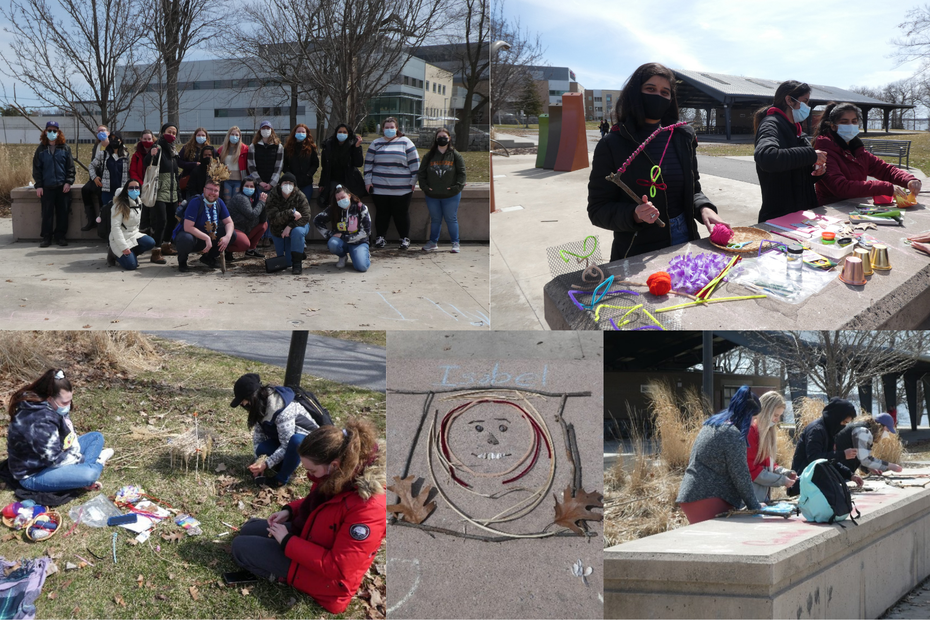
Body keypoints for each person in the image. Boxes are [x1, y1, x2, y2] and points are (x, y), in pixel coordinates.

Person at [230, 418, 386, 614]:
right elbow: (320, 505)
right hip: (310, 539)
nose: (309, 475)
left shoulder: (369, 507)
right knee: (249, 528)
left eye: (311, 470)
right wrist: (289, 511)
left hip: (327, 580)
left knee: (240, 547)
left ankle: (282, 576)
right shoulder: (339, 475)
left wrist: (287, 541)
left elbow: (339, 567)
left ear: (334, 465)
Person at [587, 63, 727, 261]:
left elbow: (694, 189)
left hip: (686, 239)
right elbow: (597, 209)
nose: (658, 96)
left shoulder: (682, 137)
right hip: (638, 249)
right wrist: (634, 214)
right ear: (635, 92)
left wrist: (705, 208)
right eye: (650, 89)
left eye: (665, 92)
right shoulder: (612, 144)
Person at [6, 369, 114, 493]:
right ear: (49, 398)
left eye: (70, 400)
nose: (68, 405)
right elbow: (53, 459)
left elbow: (68, 437)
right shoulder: (40, 421)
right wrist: (79, 459)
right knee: (91, 474)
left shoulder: (51, 407)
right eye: (65, 402)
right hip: (35, 473)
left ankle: (79, 472)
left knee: (95, 437)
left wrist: (75, 455)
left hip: (56, 453)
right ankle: (97, 462)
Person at [676, 386, 763, 524]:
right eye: (753, 418)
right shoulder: (732, 434)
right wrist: (755, 507)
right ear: (746, 415)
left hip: (691, 494)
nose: (753, 423)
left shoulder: (712, 424)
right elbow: (740, 475)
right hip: (708, 497)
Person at [813, 102, 921, 205]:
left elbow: (883, 169)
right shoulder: (825, 151)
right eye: (844, 122)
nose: (850, 125)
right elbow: (841, 187)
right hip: (832, 209)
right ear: (833, 126)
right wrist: (885, 188)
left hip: (854, 205)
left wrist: (908, 179)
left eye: (854, 121)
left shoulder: (857, 149)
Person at [229, 373, 321, 487]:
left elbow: (287, 445)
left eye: (243, 401)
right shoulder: (260, 406)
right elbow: (258, 437)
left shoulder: (282, 409)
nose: (243, 405)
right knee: (261, 449)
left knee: (295, 441)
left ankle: (281, 479)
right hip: (285, 440)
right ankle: (285, 463)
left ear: (252, 397)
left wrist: (267, 463)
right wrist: (259, 461)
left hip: (308, 442)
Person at [753, 80, 827, 222]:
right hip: (779, 218)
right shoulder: (771, 124)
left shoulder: (797, 131)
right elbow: (767, 158)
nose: (807, 107)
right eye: (805, 101)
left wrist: (815, 172)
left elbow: (793, 171)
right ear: (789, 100)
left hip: (801, 215)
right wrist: (810, 154)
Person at [788, 397, 864, 497]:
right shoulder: (816, 431)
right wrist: (842, 454)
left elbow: (829, 461)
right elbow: (814, 458)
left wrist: (850, 475)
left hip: (815, 485)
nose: (844, 426)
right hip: (804, 485)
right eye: (844, 422)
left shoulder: (828, 431)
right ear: (836, 418)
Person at [364, 117, 419, 250]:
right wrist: (368, 181)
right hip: (379, 188)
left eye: (391, 127)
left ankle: (404, 238)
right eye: (387, 127)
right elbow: (368, 164)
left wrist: (413, 181)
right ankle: (380, 237)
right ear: (383, 129)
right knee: (382, 213)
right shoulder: (376, 143)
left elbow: (415, 164)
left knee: (401, 213)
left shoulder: (406, 142)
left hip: (402, 188)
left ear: (396, 128)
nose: (389, 130)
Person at [171, 178, 249, 272]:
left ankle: (209, 257)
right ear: (204, 190)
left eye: (216, 190)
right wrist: (206, 238)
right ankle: (182, 262)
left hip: (210, 235)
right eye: (210, 189)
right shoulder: (195, 202)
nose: (212, 193)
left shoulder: (219, 202)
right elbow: (188, 227)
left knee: (231, 234)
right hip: (193, 237)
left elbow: (229, 222)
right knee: (185, 238)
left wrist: (227, 237)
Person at [144, 123, 188, 264]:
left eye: (174, 133)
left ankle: (166, 245)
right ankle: (155, 251)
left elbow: (176, 174)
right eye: (170, 131)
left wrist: (179, 195)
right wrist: (151, 155)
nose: (172, 135)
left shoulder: (173, 150)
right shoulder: (157, 147)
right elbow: (147, 163)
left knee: (173, 218)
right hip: (159, 190)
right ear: (163, 132)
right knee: (161, 221)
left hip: (172, 192)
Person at [418, 127, 466, 253]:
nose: (442, 139)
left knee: (451, 218)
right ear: (436, 139)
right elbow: (421, 173)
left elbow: (462, 174)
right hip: (432, 195)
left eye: (444, 136)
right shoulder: (429, 156)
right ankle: (433, 242)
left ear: (449, 138)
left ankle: (455, 243)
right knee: (435, 220)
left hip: (451, 195)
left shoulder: (455, 155)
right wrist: (425, 187)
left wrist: (456, 187)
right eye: (439, 137)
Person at [746, 391, 797, 503]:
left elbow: (768, 464)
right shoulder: (750, 433)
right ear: (765, 412)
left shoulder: (765, 433)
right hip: (751, 498)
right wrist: (782, 480)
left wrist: (785, 472)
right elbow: (751, 470)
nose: (777, 420)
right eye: (775, 415)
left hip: (760, 497)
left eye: (779, 416)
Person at [32, 121, 75, 248]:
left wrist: (68, 182)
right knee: (47, 213)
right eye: (49, 130)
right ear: (45, 132)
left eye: (54, 130)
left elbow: (70, 168)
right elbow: (36, 169)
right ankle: (46, 237)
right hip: (47, 187)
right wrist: (39, 185)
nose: (52, 133)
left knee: (63, 213)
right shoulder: (40, 149)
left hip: (62, 187)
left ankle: (60, 236)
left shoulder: (65, 148)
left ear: (58, 132)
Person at [313, 184, 372, 272]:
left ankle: (363, 254)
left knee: (362, 267)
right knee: (332, 243)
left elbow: (366, 232)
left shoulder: (361, 208)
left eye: (343, 197)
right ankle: (342, 256)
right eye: (338, 199)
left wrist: (346, 237)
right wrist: (330, 234)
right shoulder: (334, 209)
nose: (341, 200)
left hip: (358, 242)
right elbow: (317, 220)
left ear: (349, 196)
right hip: (341, 241)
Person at [265, 172, 311, 275]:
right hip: (278, 230)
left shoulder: (300, 196)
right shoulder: (273, 195)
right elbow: (273, 218)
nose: (288, 185)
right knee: (286, 262)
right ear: (280, 184)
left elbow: (306, 216)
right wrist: (291, 212)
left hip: (296, 226)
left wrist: (290, 226)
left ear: (294, 186)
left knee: (298, 232)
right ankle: (299, 252)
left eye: (291, 183)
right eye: (285, 182)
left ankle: (297, 263)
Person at [106, 179, 157, 270]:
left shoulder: (139, 202)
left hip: (133, 234)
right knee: (131, 266)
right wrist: (124, 247)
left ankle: (131, 254)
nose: (134, 190)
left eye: (137, 188)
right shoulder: (118, 206)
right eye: (131, 188)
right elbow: (115, 228)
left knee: (150, 242)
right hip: (119, 237)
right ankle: (114, 254)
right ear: (126, 190)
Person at [833, 412, 903, 475]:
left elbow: (858, 455)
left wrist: (868, 468)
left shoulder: (862, 428)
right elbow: (865, 460)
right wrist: (890, 466)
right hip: (836, 470)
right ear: (881, 427)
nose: (887, 434)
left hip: (839, 467)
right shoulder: (863, 432)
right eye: (887, 430)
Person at [318, 123, 366, 207]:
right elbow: (325, 167)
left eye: (345, 132)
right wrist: (322, 184)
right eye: (340, 132)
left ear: (348, 134)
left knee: (350, 204)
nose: (342, 134)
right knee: (334, 202)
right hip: (333, 180)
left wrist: (357, 147)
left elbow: (358, 163)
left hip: (350, 180)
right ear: (336, 133)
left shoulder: (353, 145)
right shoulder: (328, 146)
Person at [226, 179, 269, 260]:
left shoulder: (254, 199)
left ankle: (251, 250)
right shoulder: (240, 198)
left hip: (246, 228)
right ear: (242, 187)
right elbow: (252, 215)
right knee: (244, 245)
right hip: (234, 228)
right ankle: (226, 249)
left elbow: (263, 220)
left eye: (251, 186)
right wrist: (261, 203)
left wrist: (264, 205)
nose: (249, 188)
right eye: (246, 186)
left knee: (264, 225)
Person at [79, 124, 108, 231]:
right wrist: (94, 177)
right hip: (96, 176)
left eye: (103, 131)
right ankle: (91, 220)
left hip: (107, 177)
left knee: (101, 194)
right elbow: (92, 163)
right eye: (99, 131)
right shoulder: (97, 146)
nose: (101, 133)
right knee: (85, 190)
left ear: (108, 133)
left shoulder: (111, 145)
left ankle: (102, 221)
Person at [89, 130, 130, 207]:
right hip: (107, 191)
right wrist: (94, 177)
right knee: (108, 214)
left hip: (122, 191)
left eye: (115, 138)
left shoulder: (126, 156)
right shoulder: (103, 154)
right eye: (111, 138)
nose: (113, 140)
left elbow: (129, 171)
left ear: (120, 140)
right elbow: (91, 166)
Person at [283, 123, 319, 203]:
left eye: (303, 132)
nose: (301, 133)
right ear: (294, 133)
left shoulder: (311, 148)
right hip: (292, 183)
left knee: (305, 206)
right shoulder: (288, 148)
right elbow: (284, 165)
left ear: (307, 134)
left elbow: (315, 163)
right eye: (298, 131)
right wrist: (290, 175)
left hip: (306, 183)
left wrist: (309, 174)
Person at [247, 121, 284, 192]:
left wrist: (271, 183)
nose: (265, 130)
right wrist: (260, 182)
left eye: (268, 128)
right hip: (258, 185)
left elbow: (279, 167)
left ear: (271, 130)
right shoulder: (253, 146)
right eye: (263, 128)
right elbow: (251, 166)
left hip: (273, 185)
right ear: (260, 130)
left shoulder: (278, 147)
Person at [217, 126, 249, 204]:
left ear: (239, 137)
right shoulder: (221, 150)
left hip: (239, 180)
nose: (234, 136)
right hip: (226, 180)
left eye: (236, 135)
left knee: (236, 201)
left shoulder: (245, 149)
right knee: (227, 202)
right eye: (232, 134)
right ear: (228, 135)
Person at [178, 127, 211, 198]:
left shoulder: (209, 149)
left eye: (203, 135)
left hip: (203, 179)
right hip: (188, 179)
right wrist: (193, 164)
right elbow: (179, 162)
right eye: (199, 135)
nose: (201, 137)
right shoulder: (187, 147)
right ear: (195, 136)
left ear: (206, 137)